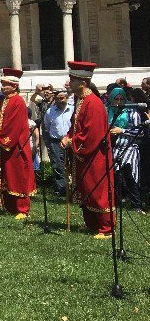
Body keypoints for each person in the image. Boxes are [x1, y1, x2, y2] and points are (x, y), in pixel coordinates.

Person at [61, 61, 114, 237]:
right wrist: (68, 137)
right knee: (86, 189)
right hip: (84, 156)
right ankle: (92, 224)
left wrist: (72, 142)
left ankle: (106, 228)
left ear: (83, 83)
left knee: (97, 189)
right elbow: (76, 127)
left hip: (95, 156)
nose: (69, 83)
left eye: (72, 80)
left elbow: (92, 135)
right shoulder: (81, 101)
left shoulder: (94, 103)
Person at [0, 68, 36, 218]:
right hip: (3, 148)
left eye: (5, 84)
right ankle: (10, 207)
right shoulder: (3, 101)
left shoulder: (18, 102)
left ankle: (22, 209)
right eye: (2, 84)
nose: (2, 87)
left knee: (18, 176)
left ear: (14, 86)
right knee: (6, 176)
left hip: (15, 147)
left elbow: (13, 126)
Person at [42, 88, 73, 199]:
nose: (60, 100)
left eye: (62, 98)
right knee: (58, 166)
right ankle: (62, 190)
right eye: (58, 98)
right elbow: (46, 126)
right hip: (56, 141)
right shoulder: (50, 112)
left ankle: (75, 190)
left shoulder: (72, 110)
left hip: (71, 141)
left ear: (66, 98)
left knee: (73, 165)